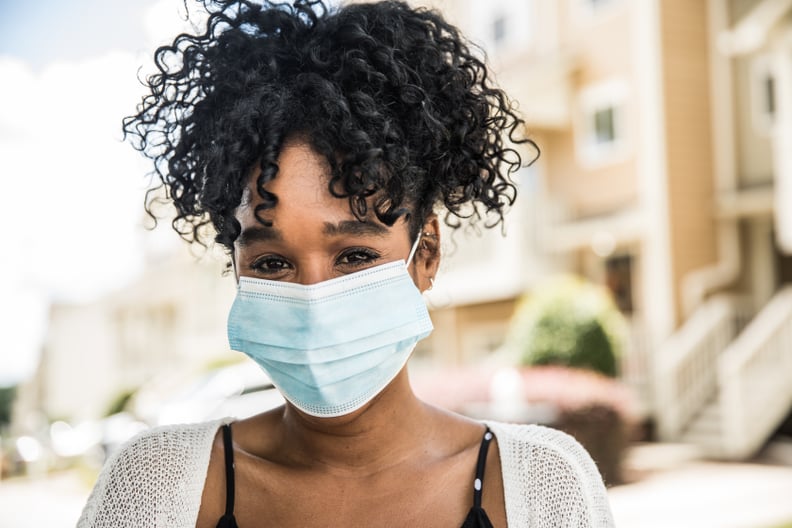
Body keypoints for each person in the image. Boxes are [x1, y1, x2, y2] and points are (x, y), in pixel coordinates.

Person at [78, 1, 615, 526]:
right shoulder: (157, 487)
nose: (314, 298)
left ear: (424, 253)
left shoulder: (540, 486)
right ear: (236, 268)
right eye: (271, 263)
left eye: (354, 255)